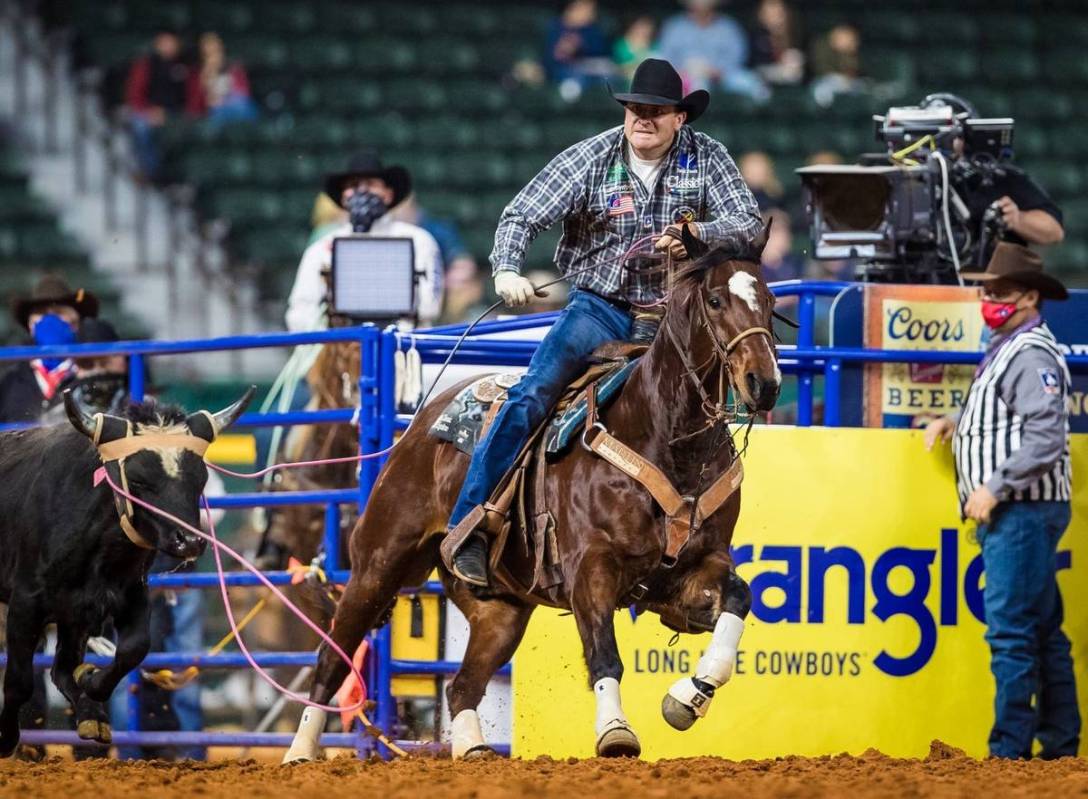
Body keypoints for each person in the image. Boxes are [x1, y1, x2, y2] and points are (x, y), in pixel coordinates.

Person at [447, 58, 761, 586]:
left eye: (657, 111)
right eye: (636, 108)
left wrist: (696, 234)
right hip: (600, 308)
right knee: (533, 394)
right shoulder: (591, 158)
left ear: (679, 119)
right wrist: (505, 270)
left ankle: (691, 534)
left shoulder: (708, 159)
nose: (643, 118)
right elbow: (522, 215)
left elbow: (749, 223)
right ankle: (473, 524)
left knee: (709, 408)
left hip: (673, 319)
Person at [924, 242, 1078, 760]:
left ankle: (1009, 749)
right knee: (1043, 630)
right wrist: (956, 422)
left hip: (1021, 509)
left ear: (1031, 297)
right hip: (1022, 510)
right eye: (987, 290)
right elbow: (1015, 423)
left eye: (1002, 291)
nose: (990, 299)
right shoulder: (1011, 345)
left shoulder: (1029, 352)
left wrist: (995, 486)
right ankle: (1059, 743)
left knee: (1012, 631)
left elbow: (1045, 437)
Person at [285, 151, 443, 331]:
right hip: (341, 349)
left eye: (370, 184)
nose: (362, 191)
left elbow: (430, 306)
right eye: (353, 185)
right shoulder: (322, 249)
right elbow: (300, 312)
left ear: (388, 194)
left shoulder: (418, 241)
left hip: (402, 348)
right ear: (343, 196)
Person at [931, 95, 1065, 266]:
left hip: (987, 286)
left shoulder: (998, 177)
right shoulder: (900, 179)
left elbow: (1053, 231)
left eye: (952, 134)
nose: (942, 141)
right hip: (911, 286)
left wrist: (1017, 219)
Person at [0, 275, 99, 423]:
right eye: (41, 312)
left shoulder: (97, 374)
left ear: (76, 322)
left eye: (59, 312)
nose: (50, 320)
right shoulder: (8, 379)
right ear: (30, 325)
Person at [656, 0, 768, 103]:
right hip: (686, 78)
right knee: (698, 85)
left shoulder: (729, 27)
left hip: (723, 77)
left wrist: (716, 71)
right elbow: (665, 58)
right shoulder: (674, 27)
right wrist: (682, 73)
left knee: (752, 83)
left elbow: (738, 57)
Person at [124, 30, 197, 179]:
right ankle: (151, 172)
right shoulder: (146, 65)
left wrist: (189, 112)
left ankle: (182, 177)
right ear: (157, 45)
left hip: (179, 113)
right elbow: (134, 94)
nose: (167, 47)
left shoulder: (186, 64)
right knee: (140, 128)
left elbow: (193, 93)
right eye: (163, 43)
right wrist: (148, 111)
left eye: (171, 43)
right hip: (150, 112)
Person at [543, 0, 612, 101]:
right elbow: (548, 57)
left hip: (588, 69)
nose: (591, 14)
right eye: (586, 9)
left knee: (608, 75)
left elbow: (600, 52)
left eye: (592, 10)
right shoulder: (554, 27)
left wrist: (582, 45)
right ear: (573, 8)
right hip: (562, 69)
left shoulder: (592, 30)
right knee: (574, 77)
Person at [187, 32, 258, 128]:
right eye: (207, 47)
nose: (211, 51)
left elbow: (244, 93)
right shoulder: (196, 72)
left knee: (241, 106)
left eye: (214, 47)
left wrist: (228, 96)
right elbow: (195, 102)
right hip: (212, 110)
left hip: (234, 105)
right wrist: (206, 74)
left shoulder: (234, 68)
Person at [749, 0, 804, 85]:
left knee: (794, 57)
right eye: (771, 12)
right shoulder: (755, 36)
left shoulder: (796, 33)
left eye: (779, 12)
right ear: (762, 14)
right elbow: (756, 64)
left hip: (791, 77)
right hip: (761, 77)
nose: (777, 16)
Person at [809, 24, 864, 107]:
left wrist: (848, 53)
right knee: (823, 90)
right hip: (826, 82)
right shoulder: (822, 47)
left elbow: (855, 71)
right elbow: (822, 69)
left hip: (851, 84)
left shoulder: (853, 53)